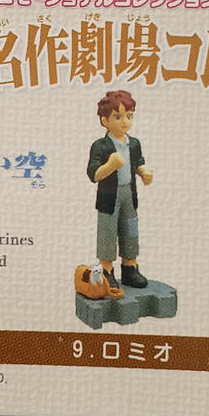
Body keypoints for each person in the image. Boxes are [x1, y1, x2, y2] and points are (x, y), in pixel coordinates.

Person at [86, 89, 153, 289]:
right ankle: (106, 270)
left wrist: (143, 172)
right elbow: (93, 174)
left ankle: (130, 267)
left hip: (129, 194)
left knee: (130, 229)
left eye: (129, 116)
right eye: (118, 117)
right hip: (109, 197)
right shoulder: (101, 146)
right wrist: (110, 166)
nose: (125, 121)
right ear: (104, 121)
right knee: (107, 231)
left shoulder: (134, 144)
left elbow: (138, 162)